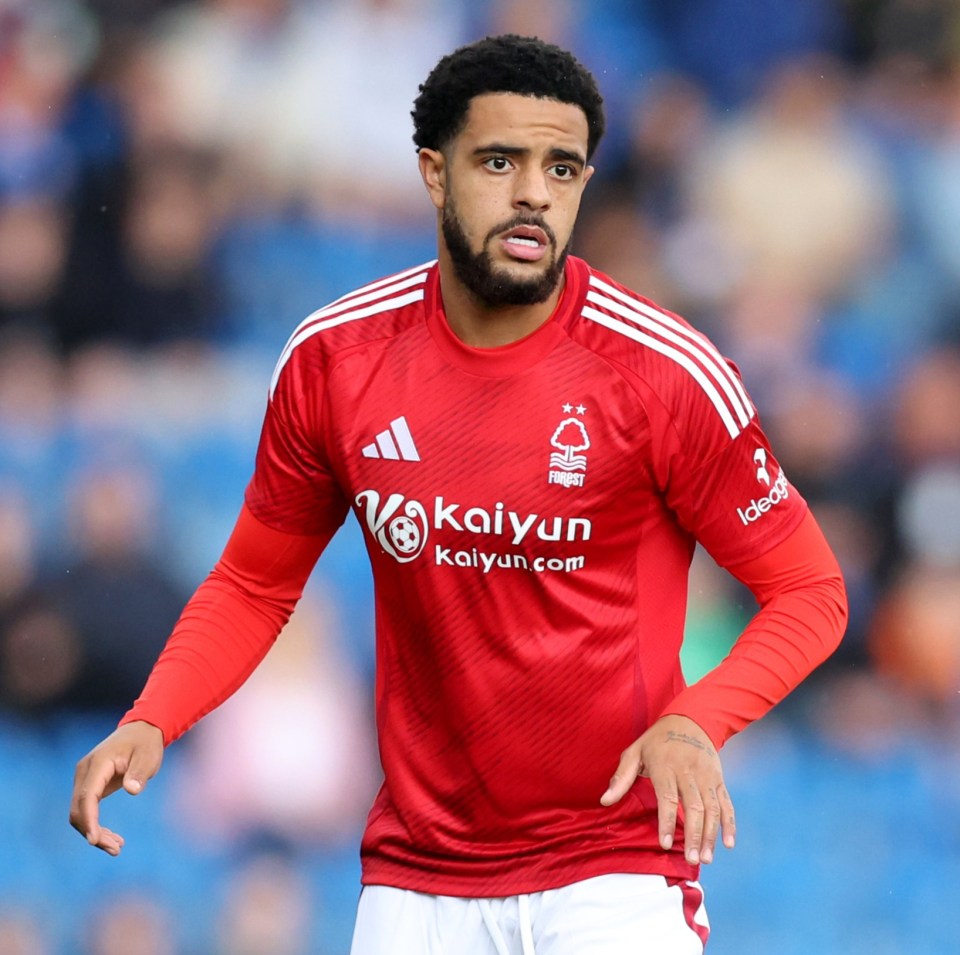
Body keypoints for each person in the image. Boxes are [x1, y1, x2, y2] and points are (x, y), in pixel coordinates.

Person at [69, 34, 848, 954]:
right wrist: (156, 714)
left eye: (561, 168)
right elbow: (255, 583)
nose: (532, 193)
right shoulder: (336, 361)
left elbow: (812, 591)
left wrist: (694, 719)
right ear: (435, 175)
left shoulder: (664, 374)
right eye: (499, 161)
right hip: (417, 877)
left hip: (615, 868)